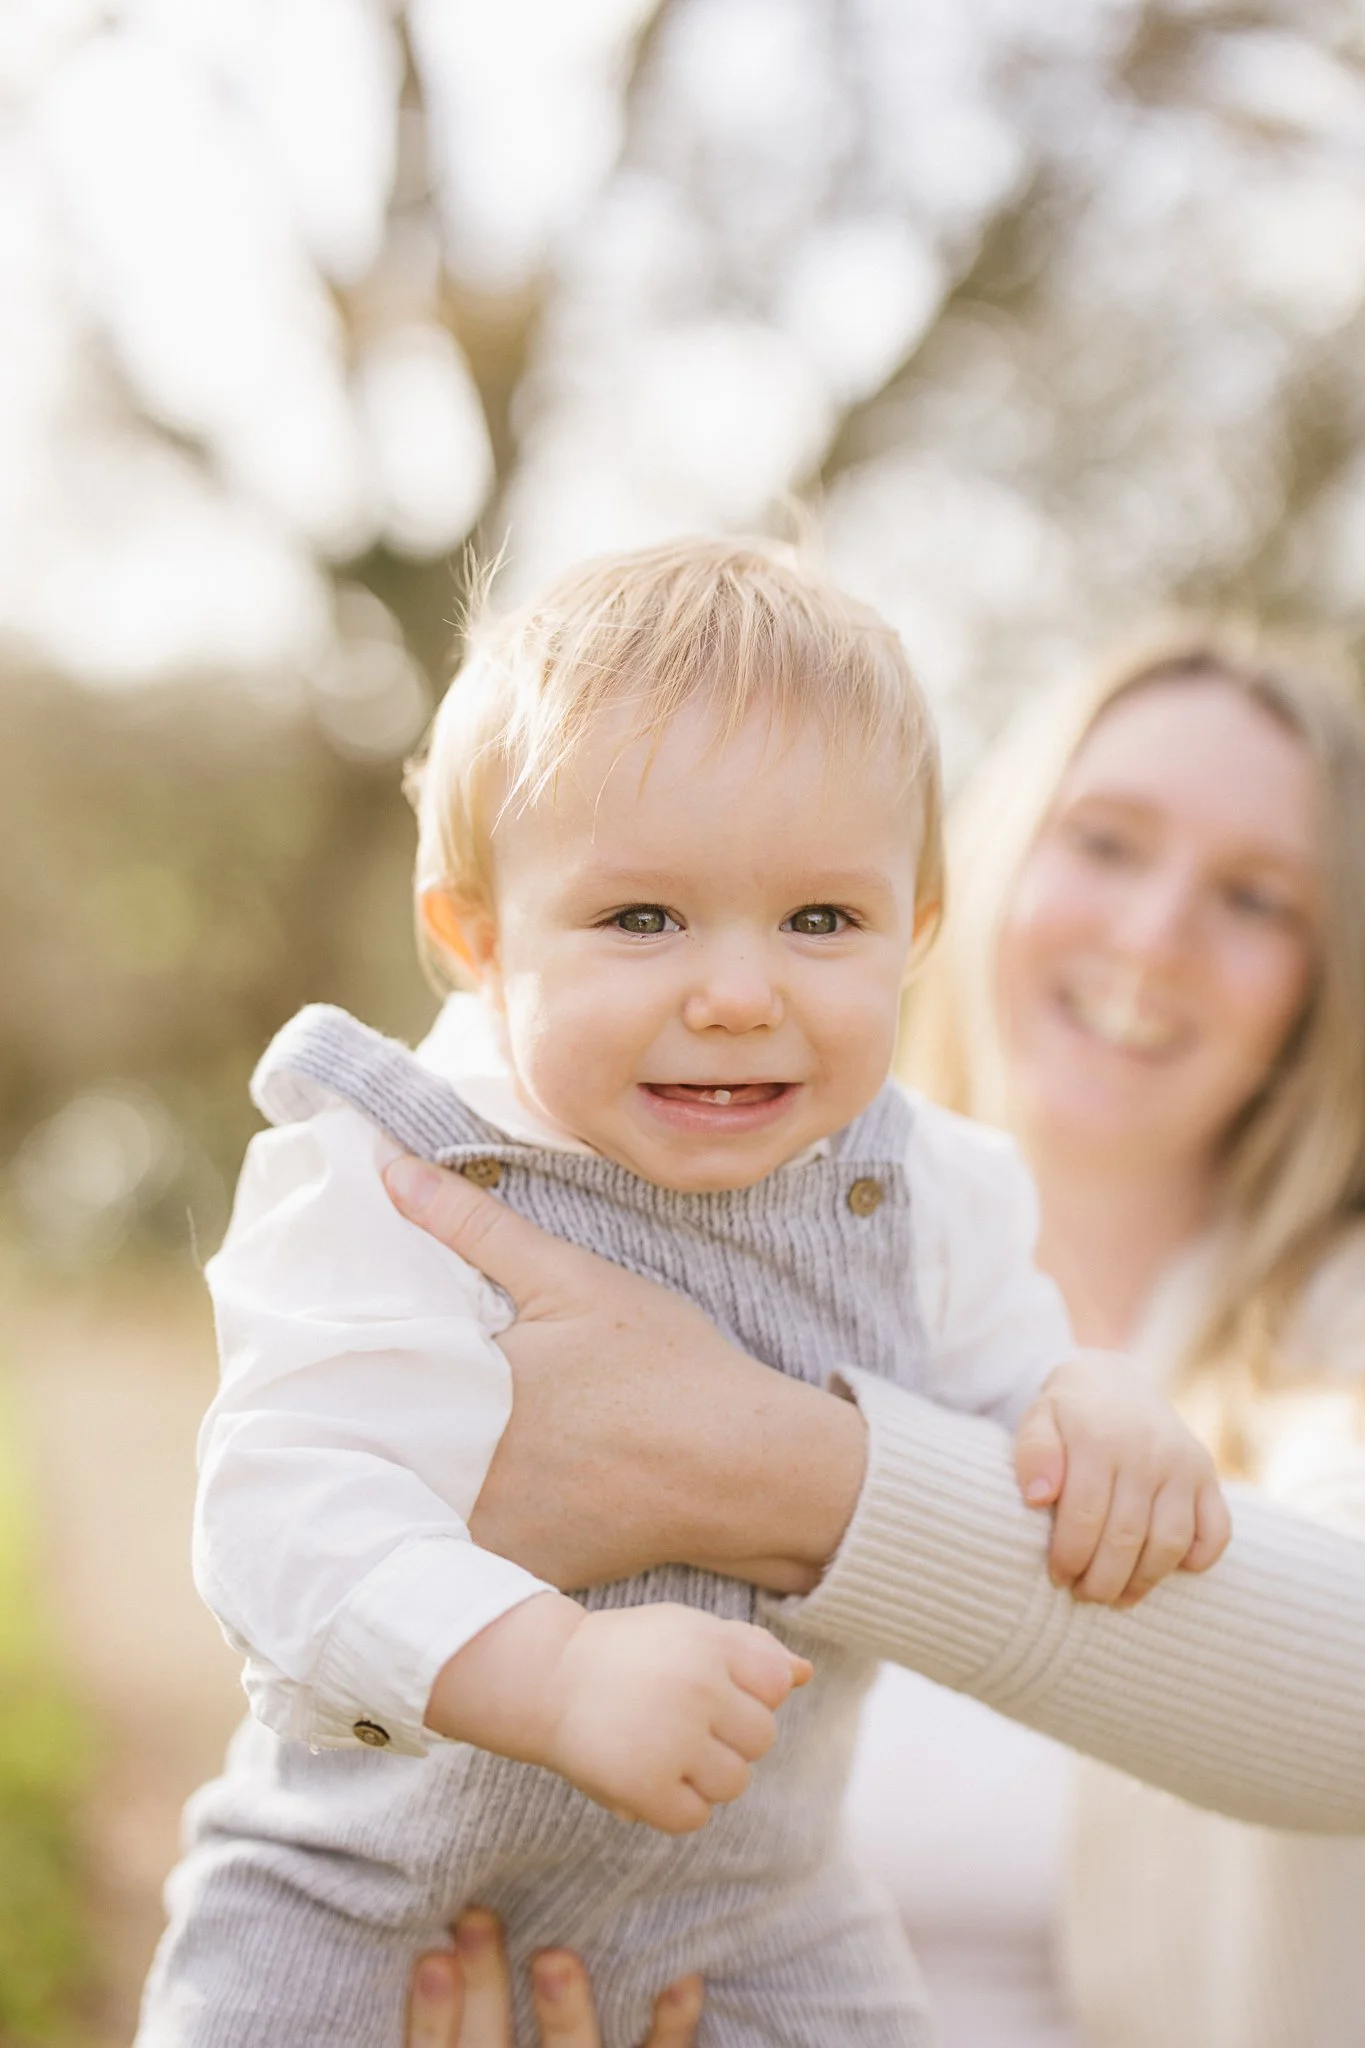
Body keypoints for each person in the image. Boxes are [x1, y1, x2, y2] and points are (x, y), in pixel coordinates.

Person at [138, 541, 1228, 2048]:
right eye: (642, 919)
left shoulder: (935, 1196)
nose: (736, 991)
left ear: (914, 932)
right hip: (366, 1903)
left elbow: (1010, 1398)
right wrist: (555, 1668)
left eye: (821, 921)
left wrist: (1093, 1407)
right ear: (476, 938)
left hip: (760, 1919)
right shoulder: (391, 1173)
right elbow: (282, 1513)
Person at [383, 622, 1365, 2048]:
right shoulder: (662, 1224)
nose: (1152, 937)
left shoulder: (1333, 1324)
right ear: (968, 878)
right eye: (1104, 843)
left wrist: (765, 1471)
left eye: (1256, 899)